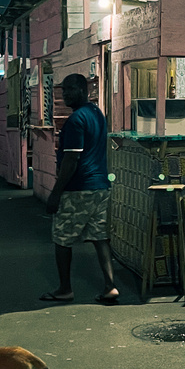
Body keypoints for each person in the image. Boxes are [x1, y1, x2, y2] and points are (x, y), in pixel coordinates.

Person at [42, 73, 117, 304]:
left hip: (78, 188)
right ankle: (110, 286)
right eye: (63, 90)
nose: (65, 94)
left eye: (70, 89)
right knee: (99, 237)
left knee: (62, 238)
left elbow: (71, 161)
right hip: (100, 187)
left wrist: (55, 193)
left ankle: (65, 288)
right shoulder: (96, 113)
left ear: (84, 90)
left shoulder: (75, 121)